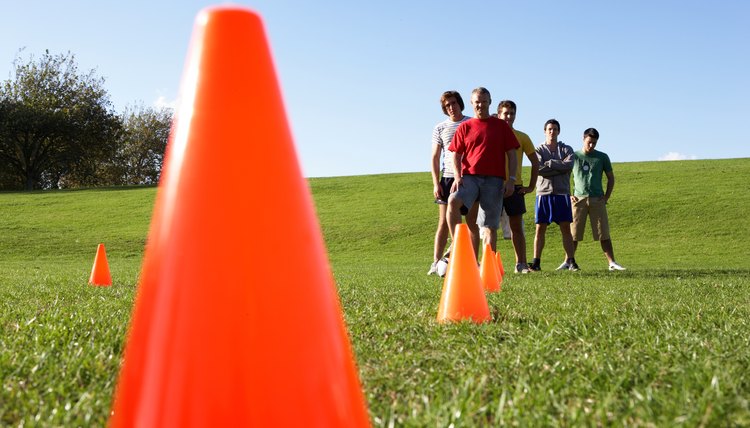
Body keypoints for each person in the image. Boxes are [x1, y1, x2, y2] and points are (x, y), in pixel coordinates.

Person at [446, 87, 519, 256]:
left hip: (494, 181)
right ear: (472, 103)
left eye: (484, 102)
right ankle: (456, 244)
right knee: (452, 201)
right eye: (477, 102)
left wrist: (511, 179)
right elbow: (455, 154)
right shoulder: (465, 127)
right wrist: (457, 177)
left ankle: (488, 267)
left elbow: (512, 154)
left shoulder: (501, 126)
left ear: (490, 102)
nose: (480, 105)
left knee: (489, 227)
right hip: (470, 178)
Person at [428, 91, 480, 275]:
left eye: (454, 103)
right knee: (443, 222)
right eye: (447, 105)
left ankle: (473, 262)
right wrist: (436, 183)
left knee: (471, 222)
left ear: (460, 103)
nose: (451, 107)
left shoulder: (470, 122)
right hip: (448, 177)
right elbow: (435, 157)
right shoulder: (440, 128)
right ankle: (436, 262)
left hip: (469, 177)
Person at [570, 128, 626, 271]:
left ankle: (612, 263)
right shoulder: (574, 156)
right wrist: (568, 194)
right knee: (573, 234)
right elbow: (564, 176)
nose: (591, 146)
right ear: (583, 139)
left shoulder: (602, 157)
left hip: (597, 199)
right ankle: (568, 262)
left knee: (603, 233)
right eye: (589, 142)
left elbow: (611, 178)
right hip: (578, 200)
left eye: (594, 143)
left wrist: (606, 196)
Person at [495, 100, 540, 273]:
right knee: (489, 229)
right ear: (498, 114)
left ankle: (521, 264)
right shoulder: (493, 134)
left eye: (512, 113)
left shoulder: (522, 136)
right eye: (505, 113)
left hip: (515, 187)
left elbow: (535, 162)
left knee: (517, 228)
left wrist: (530, 187)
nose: (509, 116)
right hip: (493, 186)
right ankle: (488, 265)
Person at [529, 119, 577, 271]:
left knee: (565, 228)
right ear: (545, 131)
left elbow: (569, 165)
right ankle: (536, 262)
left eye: (555, 129)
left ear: (558, 131)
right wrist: (559, 166)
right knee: (540, 228)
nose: (552, 131)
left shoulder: (566, 149)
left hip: (562, 193)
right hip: (543, 193)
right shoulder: (538, 150)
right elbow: (540, 169)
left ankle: (571, 261)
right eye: (549, 129)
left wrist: (550, 163)